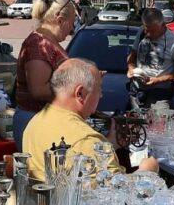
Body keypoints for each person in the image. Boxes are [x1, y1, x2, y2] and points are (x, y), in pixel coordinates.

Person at [24, 58, 158, 182]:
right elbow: (117, 196)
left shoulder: (35, 122)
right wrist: (146, 172)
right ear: (80, 94)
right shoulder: (86, 140)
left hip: (43, 203)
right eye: (99, 89)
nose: (101, 95)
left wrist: (109, 143)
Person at [13, 0, 75, 151]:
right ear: (60, 20)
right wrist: (76, 86)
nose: (73, 28)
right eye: (72, 22)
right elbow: (39, 90)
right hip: (35, 120)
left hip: (42, 120)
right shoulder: (38, 44)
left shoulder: (46, 41)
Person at [126, 7, 174, 109]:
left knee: (159, 124)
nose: (148, 34)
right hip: (137, 92)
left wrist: (158, 80)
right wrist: (131, 68)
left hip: (160, 95)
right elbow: (132, 56)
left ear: (163, 24)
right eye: (147, 30)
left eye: (152, 31)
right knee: (133, 123)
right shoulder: (141, 31)